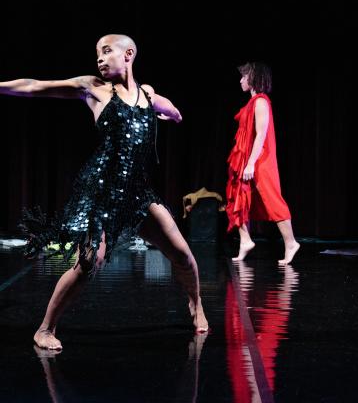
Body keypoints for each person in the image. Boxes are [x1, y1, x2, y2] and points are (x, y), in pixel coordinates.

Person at [0, 34, 208, 350]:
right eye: (97, 52)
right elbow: (34, 85)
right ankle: (45, 329)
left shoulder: (147, 95)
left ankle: (196, 305)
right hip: (102, 192)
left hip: (138, 194)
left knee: (184, 257)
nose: (100, 58)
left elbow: (172, 110)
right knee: (87, 264)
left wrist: (171, 115)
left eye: (107, 51)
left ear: (129, 54)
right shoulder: (94, 88)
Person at [225, 61, 300, 264]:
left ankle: (291, 242)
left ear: (253, 78)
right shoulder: (251, 102)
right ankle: (245, 240)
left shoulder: (260, 102)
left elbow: (261, 135)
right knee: (237, 195)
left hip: (261, 160)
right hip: (249, 159)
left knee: (272, 198)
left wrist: (250, 163)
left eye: (244, 76)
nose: (241, 80)